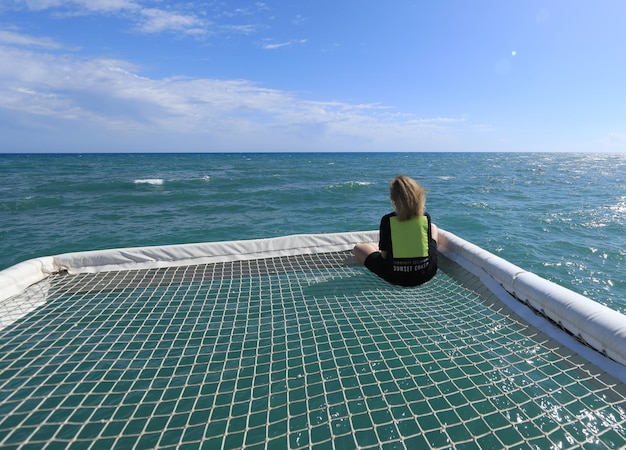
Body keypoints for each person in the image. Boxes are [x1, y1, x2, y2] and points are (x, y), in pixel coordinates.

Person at [353, 175, 438, 287]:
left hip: (396, 277)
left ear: (394, 199)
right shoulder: (425, 217)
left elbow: (384, 256)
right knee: (433, 227)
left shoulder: (388, 220)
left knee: (359, 248)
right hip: (425, 274)